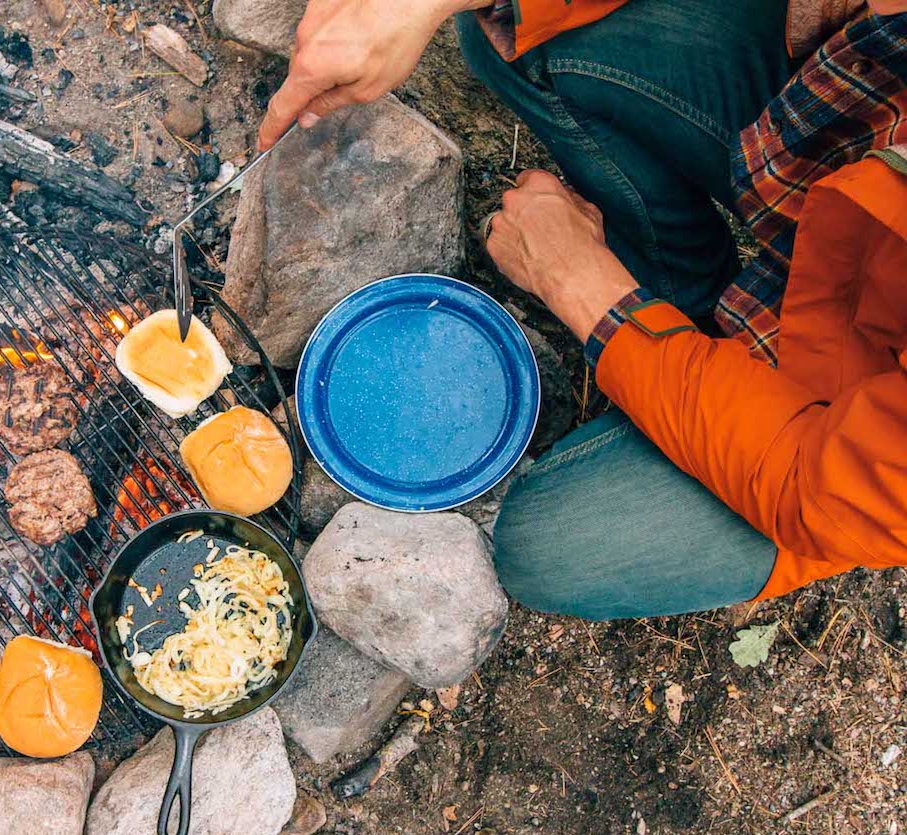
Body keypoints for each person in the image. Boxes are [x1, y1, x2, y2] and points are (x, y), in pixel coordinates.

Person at [258, 0, 907, 619]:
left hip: (838, 440)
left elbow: (816, 484)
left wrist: (585, 289)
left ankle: (669, 340)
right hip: (841, 158)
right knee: (531, 28)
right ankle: (684, 296)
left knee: (552, 543)